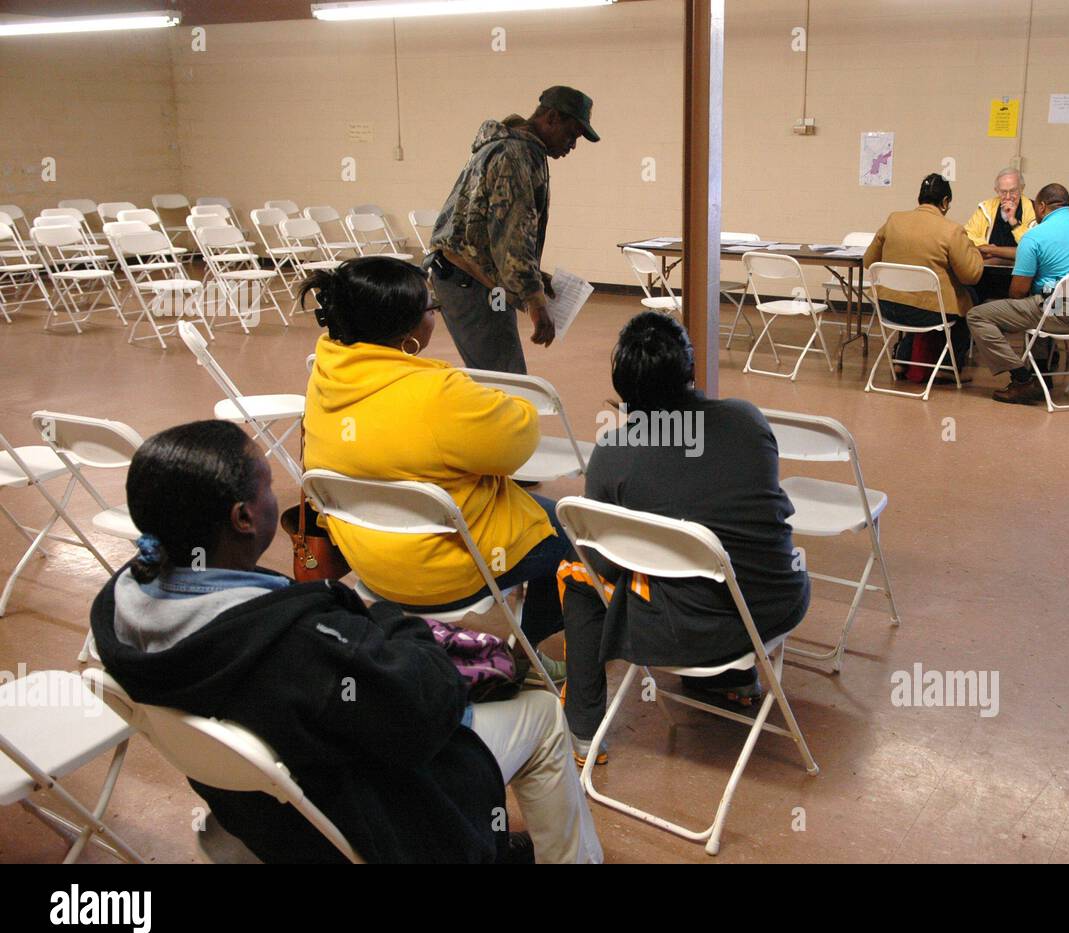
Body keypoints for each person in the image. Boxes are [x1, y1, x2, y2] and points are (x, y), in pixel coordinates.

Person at [90, 420, 602, 864]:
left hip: (267, 811)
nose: (279, 495)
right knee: (539, 711)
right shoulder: (296, 646)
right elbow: (425, 714)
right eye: (269, 485)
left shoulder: (119, 613)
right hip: (367, 815)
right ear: (243, 518)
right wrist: (397, 624)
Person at [301, 256, 568, 683]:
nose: (436, 316)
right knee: (570, 529)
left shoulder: (325, 373)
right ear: (408, 333)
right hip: (441, 571)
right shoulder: (437, 391)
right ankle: (524, 650)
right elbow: (517, 441)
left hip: (368, 561)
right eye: (433, 308)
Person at [559, 311, 811, 764]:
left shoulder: (612, 455)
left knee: (578, 574)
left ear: (623, 388)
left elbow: (604, 565)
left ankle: (583, 728)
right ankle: (733, 681)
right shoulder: (746, 421)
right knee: (712, 558)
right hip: (776, 603)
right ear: (690, 372)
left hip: (687, 632)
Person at [424, 86, 600, 373]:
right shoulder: (515, 155)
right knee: (506, 379)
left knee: (496, 375)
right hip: (469, 280)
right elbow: (512, 236)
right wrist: (535, 302)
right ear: (552, 118)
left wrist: (533, 279)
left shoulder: (507, 146)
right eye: (571, 134)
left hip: (469, 274)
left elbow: (489, 230)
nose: (572, 145)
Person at [965, 183, 1069, 405]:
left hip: (1061, 314)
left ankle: (1022, 380)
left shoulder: (1034, 236)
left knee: (977, 315)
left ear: (1041, 206)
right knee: (1037, 305)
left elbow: (1017, 292)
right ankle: (1042, 373)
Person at [863, 173, 984, 379]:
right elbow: (971, 276)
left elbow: (868, 262)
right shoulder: (952, 230)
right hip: (928, 314)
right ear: (945, 202)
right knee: (969, 301)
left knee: (914, 300)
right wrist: (975, 251)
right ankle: (947, 367)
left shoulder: (894, 220)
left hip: (887, 308)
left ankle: (902, 358)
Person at [965, 167, 1037, 303]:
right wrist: (996, 251)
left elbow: (1031, 247)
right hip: (987, 274)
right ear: (997, 191)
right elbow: (968, 235)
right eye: (1003, 192)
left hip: (1020, 276)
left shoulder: (1032, 209)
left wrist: (1013, 222)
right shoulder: (986, 208)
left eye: (1013, 191)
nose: (1008, 197)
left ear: (1022, 188)